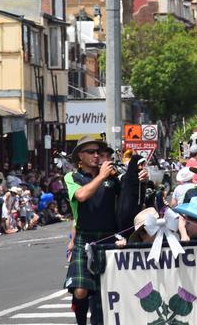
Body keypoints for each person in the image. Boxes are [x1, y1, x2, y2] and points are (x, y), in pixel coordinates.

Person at [63, 136, 146, 325]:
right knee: (81, 290)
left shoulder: (113, 177)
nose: (96, 155)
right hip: (85, 238)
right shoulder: (72, 177)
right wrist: (101, 176)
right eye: (90, 152)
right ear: (79, 157)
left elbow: (127, 200)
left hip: (110, 237)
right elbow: (81, 196)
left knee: (108, 288)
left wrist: (140, 179)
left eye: (98, 152)